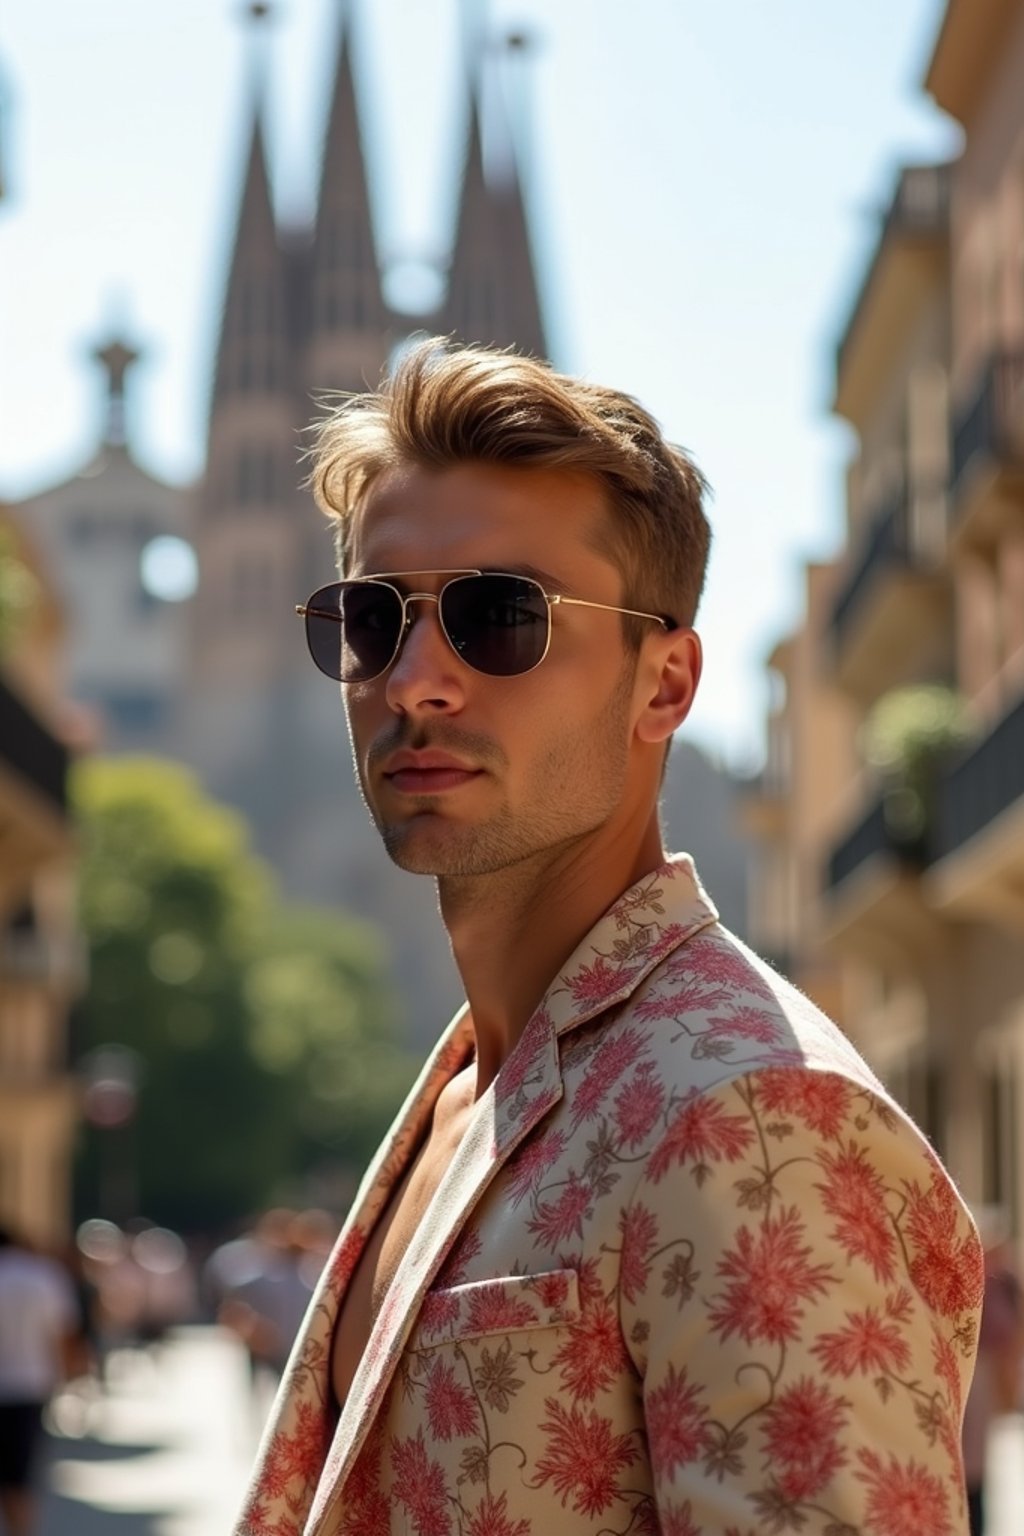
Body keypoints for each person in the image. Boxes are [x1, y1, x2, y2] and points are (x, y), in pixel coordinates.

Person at [234, 338, 983, 1536]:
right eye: (370, 620)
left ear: (665, 684)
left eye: (498, 615)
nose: (417, 678)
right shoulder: (467, 1093)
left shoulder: (754, 1112)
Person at [0, 1226, 81, 1536]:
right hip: (29, 1387)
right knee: (19, 1478)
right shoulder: (42, 1276)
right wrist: (72, 1374)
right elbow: (62, 1332)